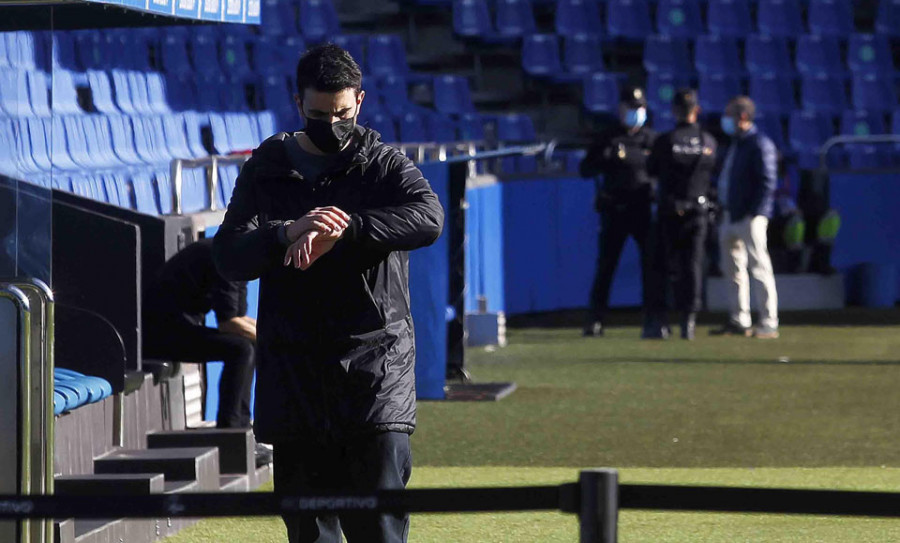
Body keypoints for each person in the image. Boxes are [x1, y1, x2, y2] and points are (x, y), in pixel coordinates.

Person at [212, 44, 444, 543]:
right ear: (298, 104)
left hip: (375, 369)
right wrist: (284, 233)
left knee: (378, 526)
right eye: (319, 115)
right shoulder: (266, 167)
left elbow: (429, 218)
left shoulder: (383, 164)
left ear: (360, 101)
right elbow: (229, 255)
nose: (332, 124)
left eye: (342, 113)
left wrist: (351, 228)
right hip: (293, 371)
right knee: (310, 530)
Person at [141, 237, 270, 463]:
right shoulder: (226, 259)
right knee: (242, 350)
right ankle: (230, 437)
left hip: (178, 328)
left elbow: (238, 319)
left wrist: (272, 337)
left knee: (247, 345)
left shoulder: (236, 261)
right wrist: (274, 342)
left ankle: (241, 433)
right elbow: (229, 324)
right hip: (158, 335)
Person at [579, 86, 658, 338]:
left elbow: (662, 172)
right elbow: (586, 169)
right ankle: (596, 319)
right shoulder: (607, 138)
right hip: (614, 209)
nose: (635, 113)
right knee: (606, 266)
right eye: (630, 108)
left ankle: (652, 319)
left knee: (650, 266)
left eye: (639, 108)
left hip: (642, 209)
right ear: (621, 109)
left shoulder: (652, 140)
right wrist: (604, 158)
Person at [647, 89, 717, 340]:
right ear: (696, 110)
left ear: (675, 111)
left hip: (669, 209)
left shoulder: (665, 141)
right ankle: (688, 322)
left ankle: (660, 322)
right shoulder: (708, 142)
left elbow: (652, 170)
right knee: (693, 266)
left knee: (663, 266)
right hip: (698, 211)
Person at [712, 96, 779, 339]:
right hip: (730, 214)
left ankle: (769, 321)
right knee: (733, 269)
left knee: (759, 268)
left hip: (749, 217)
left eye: (729, 114)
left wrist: (755, 212)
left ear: (742, 117)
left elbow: (767, 182)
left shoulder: (760, 144)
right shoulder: (736, 144)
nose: (725, 120)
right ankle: (739, 319)